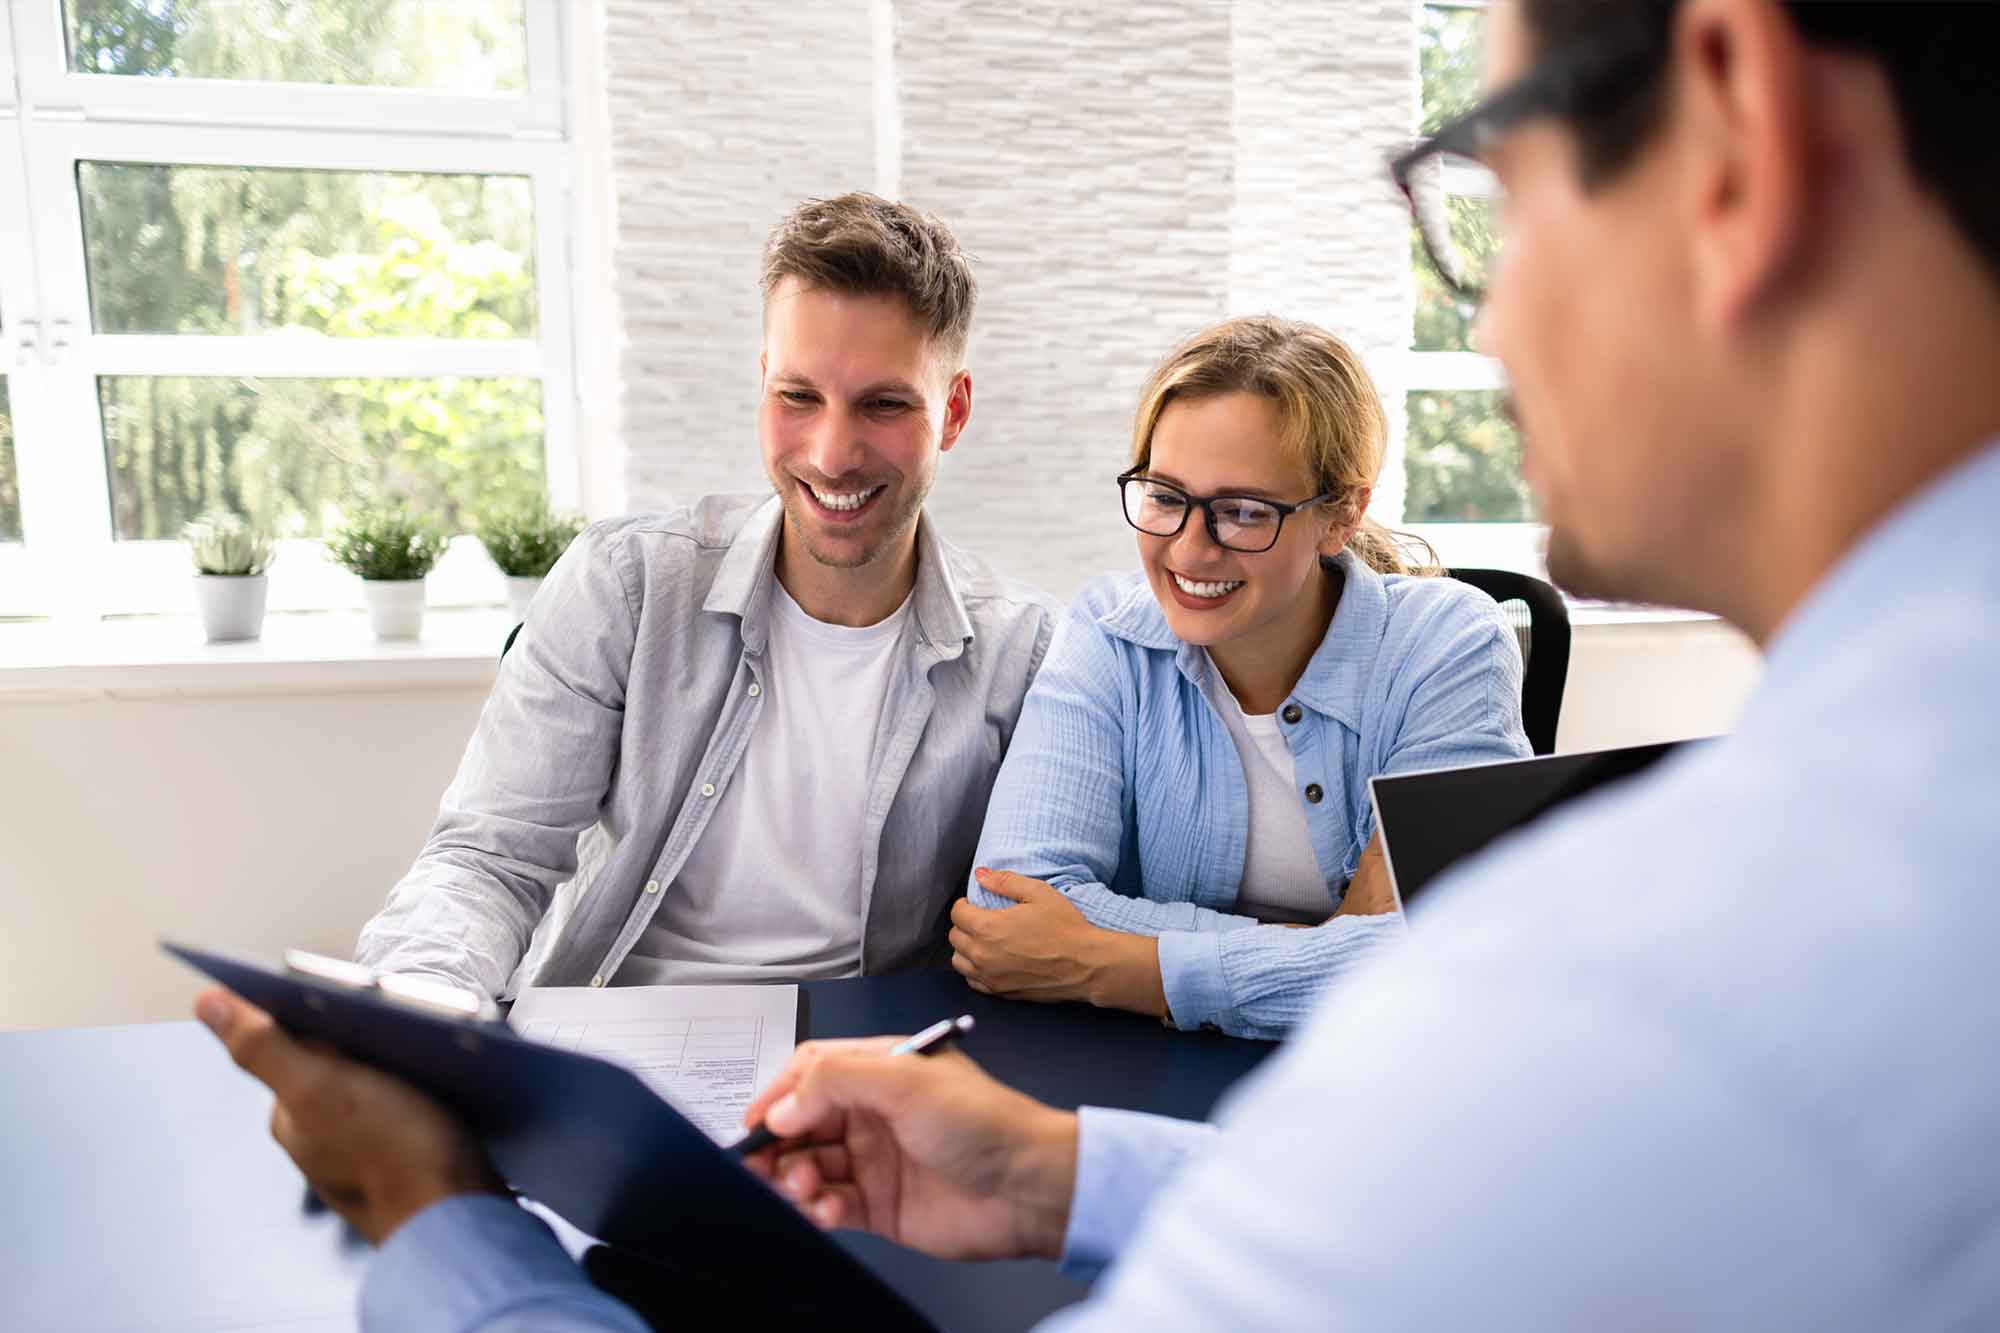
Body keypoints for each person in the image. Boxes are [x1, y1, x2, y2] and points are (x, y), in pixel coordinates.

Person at [196, 0, 2000, 1326]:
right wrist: (1073, 1160)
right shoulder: (754, 596)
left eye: (1493, 187)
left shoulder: (1620, 983)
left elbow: (1191, 957)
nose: (1498, 309)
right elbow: (1000, 910)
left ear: (1738, 135)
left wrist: (431, 1213)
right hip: (678, 1116)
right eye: (1164, 500)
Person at [353, 192, 1056, 998]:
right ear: (763, 386)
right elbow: (490, 858)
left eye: (884, 404)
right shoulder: (626, 586)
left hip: (861, 1078)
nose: (832, 454)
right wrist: (425, 1000)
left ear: (953, 410)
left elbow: (1039, 925)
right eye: (799, 397)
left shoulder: (1023, 654)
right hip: (613, 1036)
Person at [949, 317, 1530, 1039]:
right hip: (1156, 1077)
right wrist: (1327, 948)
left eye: (1244, 511)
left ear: (1340, 515)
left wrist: (1123, 964)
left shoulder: (1448, 644)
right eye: (1165, 496)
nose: (1190, 550)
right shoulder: (1109, 632)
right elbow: (1009, 907)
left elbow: (1454, 954)